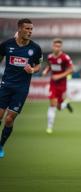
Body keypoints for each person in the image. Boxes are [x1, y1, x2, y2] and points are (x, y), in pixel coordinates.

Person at [0, 18, 42, 158]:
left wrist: (33, 70)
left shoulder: (35, 48)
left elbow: (38, 66)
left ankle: (1, 146)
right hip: (5, 86)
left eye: (31, 29)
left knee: (9, 119)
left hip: (21, 89)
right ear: (19, 29)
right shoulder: (7, 45)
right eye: (27, 29)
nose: (30, 32)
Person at [42, 38, 74, 134]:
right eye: (55, 46)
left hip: (62, 84)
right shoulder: (50, 57)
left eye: (59, 46)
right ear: (52, 46)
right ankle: (49, 127)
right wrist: (46, 71)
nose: (57, 48)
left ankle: (65, 104)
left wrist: (59, 76)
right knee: (52, 104)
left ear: (61, 47)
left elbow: (71, 70)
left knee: (59, 107)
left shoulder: (65, 58)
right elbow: (49, 66)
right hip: (53, 84)